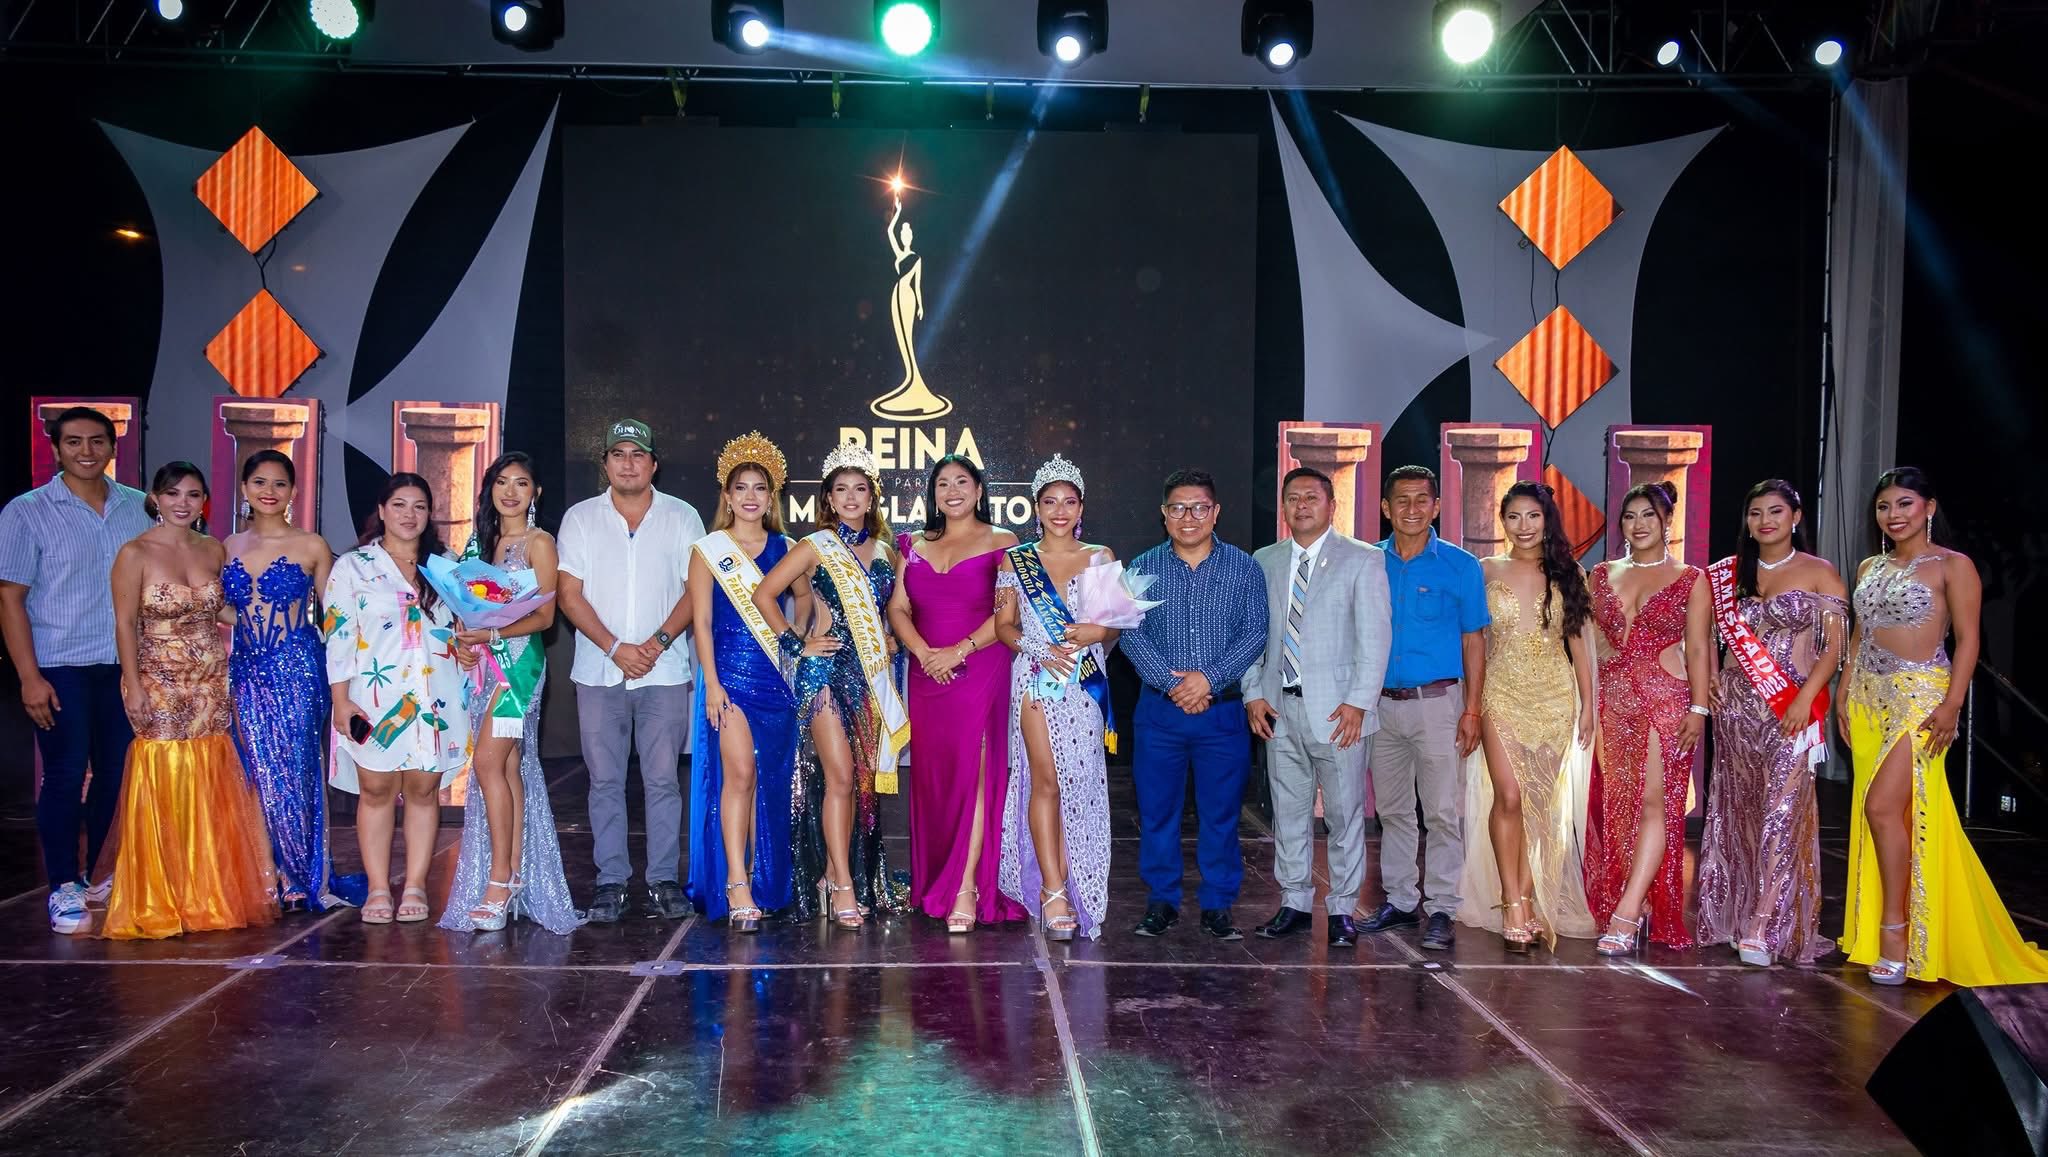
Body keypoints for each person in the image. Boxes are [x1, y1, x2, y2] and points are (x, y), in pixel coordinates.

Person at [1838, 467, 2048, 985]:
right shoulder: (1869, 566)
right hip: (1867, 701)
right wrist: (1843, 692)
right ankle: (1900, 933)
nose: (1893, 515)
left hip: (1921, 699)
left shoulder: (1953, 565)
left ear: (1929, 507)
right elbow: (1861, 633)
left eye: (1905, 503)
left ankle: (1896, 932)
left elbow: (1970, 640)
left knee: (1881, 807)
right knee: (1889, 817)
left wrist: (1953, 703)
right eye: (1884, 506)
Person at [101, 462, 278, 939]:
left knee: (209, 771)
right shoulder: (135, 553)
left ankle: (206, 893)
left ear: (204, 502)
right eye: (173, 493)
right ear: (155, 499)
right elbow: (124, 624)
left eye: (193, 494)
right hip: (157, 679)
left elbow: (219, 610)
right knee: (164, 770)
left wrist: (270, 617)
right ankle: (161, 894)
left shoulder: (211, 548)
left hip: (210, 680)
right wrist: (133, 683)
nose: (183, 502)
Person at [0, 406, 155, 933]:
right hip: (60, 663)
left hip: (124, 665)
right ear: (56, 448)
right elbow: (10, 598)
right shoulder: (27, 511)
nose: (86, 451)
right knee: (66, 774)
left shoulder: (139, 506)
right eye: (73, 442)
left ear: (112, 447)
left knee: (116, 772)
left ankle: (99, 875)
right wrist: (29, 677)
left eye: (96, 441)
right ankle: (63, 884)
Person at [754, 443, 908, 929]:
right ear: (828, 497)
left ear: (872, 497)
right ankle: (842, 883)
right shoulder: (814, 546)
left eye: (860, 489)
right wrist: (796, 644)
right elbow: (764, 594)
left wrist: (892, 638)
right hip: (824, 675)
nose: (851, 497)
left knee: (860, 785)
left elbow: (893, 613)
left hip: (868, 679)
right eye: (841, 490)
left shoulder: (886, 552)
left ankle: (830, 875)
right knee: (840, 777)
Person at [555, 419, 703, 923]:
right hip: (599, 672)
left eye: (638, 454)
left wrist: (657, 643)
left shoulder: (682, 516)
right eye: (618, 454)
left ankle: (663, 880)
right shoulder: (580, 518)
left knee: (663, 781)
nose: (628, 463)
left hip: (664, 672)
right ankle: (610, 882)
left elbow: (696, 590)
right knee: (604, 782)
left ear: (653, 464)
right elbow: (569, 595)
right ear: (605, 464)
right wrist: (615, 647)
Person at [1242, 466, 1392, 948]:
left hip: (1339, 712)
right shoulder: (1265, 560)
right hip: (1279, 709)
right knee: (1288, 813)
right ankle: (1295, 903)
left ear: (1331, 505)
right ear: (1283, 507)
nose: (1301, 505)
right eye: (1293, 498)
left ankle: (1344, 908)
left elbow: (1375, 638)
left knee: (1345, 815)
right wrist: (1253, 692)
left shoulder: (1362, 559)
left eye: (1311, 497)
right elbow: (1253, 635)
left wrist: (1359, 703)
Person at [1698, 480, 1845, 966]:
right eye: (1756, 512)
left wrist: (1805, 698)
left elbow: (1834, 648)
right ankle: (1736, 913)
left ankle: (1765, 925)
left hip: (1792, 709)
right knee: (1739, 811)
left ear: (1796, 517)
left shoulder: (1820, 572)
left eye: (1776, 511)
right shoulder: (1729, 573)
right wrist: (1713, 673)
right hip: (1736, 708)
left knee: (1782, 813)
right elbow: (1710, 637)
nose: (1765, 521)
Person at [1121, 468, 1268, 941]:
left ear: (1215, 512)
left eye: (1199, 507)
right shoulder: (1141, 568)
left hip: (1221, 713)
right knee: (1157, 812)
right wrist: (1173, 684)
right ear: (1164, 515)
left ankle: (1217, 904)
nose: (1189, 517)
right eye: (1179, 508)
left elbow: (1255, 633)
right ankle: (1162, 901)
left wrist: (1208, 679)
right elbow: (1129, 632)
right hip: (1160, 713)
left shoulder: (1244, 568)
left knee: (1220, 815)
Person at [1451, 481, 1597, 952]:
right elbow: (1473, 640)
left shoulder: (1570, 572)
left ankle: (1529, 898)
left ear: (1547, 520)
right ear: (1503, 521)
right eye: (1514, 516)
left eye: (1533, 516)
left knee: (1543, 805)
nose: (1524, 526)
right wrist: (1471, 703)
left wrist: (1588, 706)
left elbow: (1579, 645)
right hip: (1501, 692)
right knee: (1510, 796)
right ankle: (1511, 902)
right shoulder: (1484, 569)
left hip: (1556, 696)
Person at [325, 472, 476, 924]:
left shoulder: (445, 565)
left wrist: (467, 649)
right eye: (399, 505)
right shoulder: (353, 566)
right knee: (375, 789)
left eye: (419, 507)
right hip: (375, 695)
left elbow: (463, 628)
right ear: (382, 510)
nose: (409, 515)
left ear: (429, 514)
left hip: (436, 696)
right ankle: (377, 888)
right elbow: (339, 635)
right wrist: (340, 700)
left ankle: (414, 885)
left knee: (423, 790)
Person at [443, 452, 578, 934]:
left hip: (519, 669)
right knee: (507, 766)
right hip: (484, 666)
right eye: (502, 482)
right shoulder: (479, 544)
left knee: (486, 763)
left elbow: (544, 617)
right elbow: (464, 607)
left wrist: (493, 636)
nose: (511, 492)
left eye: (522, 483)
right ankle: (514, 872)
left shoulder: (540, 543)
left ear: (535, 493)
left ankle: (499, 880)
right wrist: (464, 641)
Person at [889, 454, 1024, 934]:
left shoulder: (1003, 542)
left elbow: (1008, 615)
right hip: (926, 672)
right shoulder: (912, 544)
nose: (952, 491)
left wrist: (958, 651)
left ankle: (966, 885)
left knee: (976, 772)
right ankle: (936, 879)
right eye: (943, 483)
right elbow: (898, 607)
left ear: (979, 490)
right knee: (936, 778)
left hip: (979, 667)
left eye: (961, 481)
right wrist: (924, 652)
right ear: (932, 494)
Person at [1362, 465, 1489, 952]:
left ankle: (1441, 908)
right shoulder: (1368, 562)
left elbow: (1474, 640)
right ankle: (1400, 900)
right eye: (1402, 500)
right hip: (1380, 706)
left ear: (1436, 506)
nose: (1411, 509)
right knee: (1392, 811)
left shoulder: (1460, 566)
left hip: (1438, 705)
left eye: (1422, 500)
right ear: (1385, 508)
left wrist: (1472, 709)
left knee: (1441, 812)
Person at [1584, 481, 1713, 955]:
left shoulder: (1690, 578)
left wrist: (1698, 708)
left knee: (1656, 804)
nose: (1638, 525)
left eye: (1648, 516)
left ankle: (1627, 910)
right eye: (1630, 516)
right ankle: (1629, 897)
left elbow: (1698, 648)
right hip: (1610, 702)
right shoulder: (1601, 574)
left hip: (1666, 701)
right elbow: (1587, 639)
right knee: (1617, 806)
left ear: (1666, 522)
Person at [686, 433, 806, 932]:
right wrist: (712, 684)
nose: (750, 497)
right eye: (741, 488)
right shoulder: (708, 551)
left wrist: (800, 641)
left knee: (771, 781)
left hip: (776, 680)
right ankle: (736, 880)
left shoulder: (787, 547)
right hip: (730, 677)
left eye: (760, 488)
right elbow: (701, 623)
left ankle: (765, 879)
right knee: (739, 774)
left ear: (771, 497)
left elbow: (805, 600)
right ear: (727, 496)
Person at [995, 455, 1118, 941]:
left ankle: (1070, 873)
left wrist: (1096, 632)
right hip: (1035, 677)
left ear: (1081, 507)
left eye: (1069, 502)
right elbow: (1004, 627)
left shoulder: (1100, 556)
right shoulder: (1016, 560)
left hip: (1084, 680)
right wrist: (1037, 649)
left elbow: (1113, 626)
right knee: (1045, 778)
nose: (1060, 511)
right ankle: (1052, 889)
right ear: (1036, 508)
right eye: (1050, 502)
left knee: (1078, 782)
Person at [223, 449, 335, 912]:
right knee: (253, 769)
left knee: (297, 766)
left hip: (299, 666)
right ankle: (264, 870)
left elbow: (335, 616)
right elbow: (221, 606)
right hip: (247, 669)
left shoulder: (312, 545)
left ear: (293, 491)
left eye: (279, 484)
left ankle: (300, 872)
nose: (269, 492)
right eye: (259, 482)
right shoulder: (226, 546)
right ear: (244, 488)